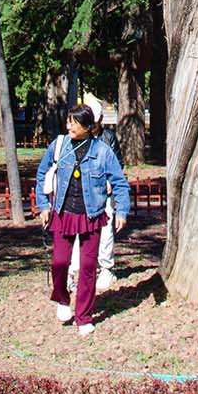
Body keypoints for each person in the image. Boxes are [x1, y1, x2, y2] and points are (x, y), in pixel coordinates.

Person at [36, 103, 131, 337]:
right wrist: (44, 206)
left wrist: (121, 211)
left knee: (88, 268)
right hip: (63, 214)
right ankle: (61, 299)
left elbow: (119, 182)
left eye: (74, 122)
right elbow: (41, 175)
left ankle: (84, 317)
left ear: (88, 127)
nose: (69, 126)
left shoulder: (102, 151)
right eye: (68, 121)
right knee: (59, 263)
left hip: (92, 215)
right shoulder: (59, 146)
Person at [68, 93, 120, 295]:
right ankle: (71, 272)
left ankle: (106, 268)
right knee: (74, 233)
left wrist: (109, 182)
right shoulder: (72, 141)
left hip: (102, 194)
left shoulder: (107, 138)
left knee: (105, 230)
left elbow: (116, 163)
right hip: (78, 195)